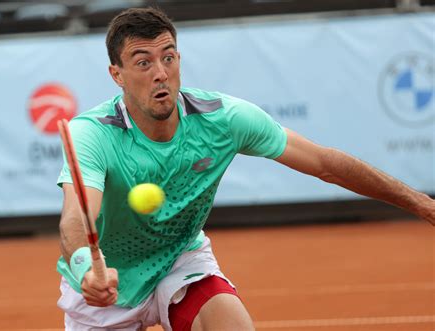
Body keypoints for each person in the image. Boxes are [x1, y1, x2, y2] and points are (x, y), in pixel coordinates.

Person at [56, 7, 435, 331]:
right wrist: (87, 269)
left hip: (179, 260)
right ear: (117, 74)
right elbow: (77, 217)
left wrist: (421, 203)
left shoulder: (223, 119)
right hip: (105, 283)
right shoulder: (93, 134)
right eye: (143, 62)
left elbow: (325, 164)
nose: (160, 73)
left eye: (168, 57)